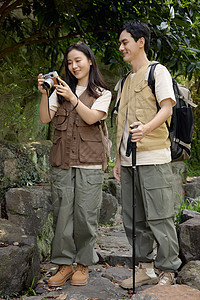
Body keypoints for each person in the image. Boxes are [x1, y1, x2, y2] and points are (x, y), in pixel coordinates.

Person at [113, 20, 182, 289]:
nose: (121, 47)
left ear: (140, 42)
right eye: (120, 43)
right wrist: (117, 160)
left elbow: (167, 108)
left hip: (154, 156)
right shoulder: (125, 80)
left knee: (160, 216)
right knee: (134, 218)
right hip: (129, 161)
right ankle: (145, 268)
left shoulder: (158, 72)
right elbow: (120, 123)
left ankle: (168, 270)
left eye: (125, 42)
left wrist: (148, 128)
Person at [38, 41, 111, 287]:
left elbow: (92, 118)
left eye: (78, 60)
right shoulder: (59, 91)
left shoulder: (102, 93)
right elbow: (45, 117)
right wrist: (44, 94)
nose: (74, 65)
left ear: (90, 61)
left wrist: (73, 97)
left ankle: (83, 264)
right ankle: (64, 265)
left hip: (89, 164)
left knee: (85, 216)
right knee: (62, 215)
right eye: (69, 62)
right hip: (62, 162)